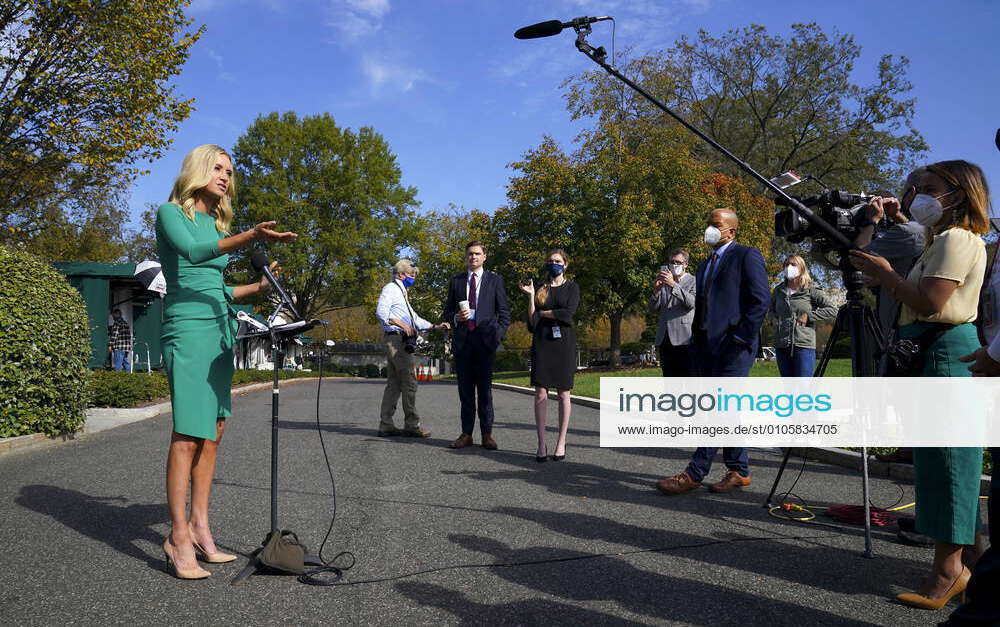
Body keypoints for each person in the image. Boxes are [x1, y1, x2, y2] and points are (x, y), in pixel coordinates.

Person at [850, 160, 989, 610]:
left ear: (958, 192)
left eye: (927, 187)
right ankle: (972, 565)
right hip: (932, 351)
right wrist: (888, 276)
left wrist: (888, 275)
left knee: (949, 462)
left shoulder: (957, 238)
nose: (917, 195)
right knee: (937, 460)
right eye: (914, 188)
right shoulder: (939, 240)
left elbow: (930, 303)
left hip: (946, 350)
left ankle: (948, 573)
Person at [156, 144, 297, 579]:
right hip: (187, 330)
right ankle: (177, 536)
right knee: (187, 434)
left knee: (213, 433)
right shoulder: (171, 214)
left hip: (219, 330)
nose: (225, 176)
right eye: (217, 168)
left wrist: (256, 288)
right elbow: (194, 256)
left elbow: (216, 288)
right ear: (199, 170)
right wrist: (251, 236)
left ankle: (200, 525)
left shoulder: (216, 223)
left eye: (229, 171)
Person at [655, 208, 769, 495]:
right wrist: (697, 342)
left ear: (731, 230)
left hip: (735, 348)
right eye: (708, 224)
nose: (710, 229)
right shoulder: (706, 264)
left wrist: (741, 338)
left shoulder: (746, 255)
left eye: (716, 225)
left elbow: (760, 301)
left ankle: (694, 473)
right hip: (707, 348)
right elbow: (702, 307)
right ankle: (739, 470)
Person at [443, 241, 511, 450]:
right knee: (465, 392)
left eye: (477, 254)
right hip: (464, 343)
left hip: (485, 343)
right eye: (470, 254)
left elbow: (504, 313)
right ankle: (466, 434)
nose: (473, 257)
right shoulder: (457, 281)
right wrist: (455, 317)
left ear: (484, 257)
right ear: (466, 257)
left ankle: (487, 434)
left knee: (484, 392)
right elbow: (446, 311)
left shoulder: (494, 280)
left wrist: (497, 336)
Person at [374, 259, 449, 438]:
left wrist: (435, 326)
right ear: (401, 274)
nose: (414, 278)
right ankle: (412, 425)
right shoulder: (391, 289)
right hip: (397, 341)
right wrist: (401, 324)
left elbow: (414, 319)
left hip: (397, 340)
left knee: (394, 384)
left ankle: (386, 424)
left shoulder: (402, 293)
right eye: (412, 275)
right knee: (409, 382)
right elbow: (381, 312)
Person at [518, 248, 580, 462]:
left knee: (564, 394)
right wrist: (530, 298)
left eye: (558, 261)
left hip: (564, 345)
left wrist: (543, 313)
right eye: (551, 261)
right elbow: (532, 322)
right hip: (542, 343)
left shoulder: (572, 288)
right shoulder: (540, 290)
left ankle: (561, 442)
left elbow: (568, 314)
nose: (554, 264)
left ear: (565, 264)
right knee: (541, 394)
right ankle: (541, 443)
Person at [768, 255, 838, 377]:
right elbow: (770, 310)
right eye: (786, 264)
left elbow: (832, 309)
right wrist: (773, 320)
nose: (788, 267)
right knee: (788, 388)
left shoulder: (811, 289)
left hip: (803, 345)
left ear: (802, 268)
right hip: (781, 344)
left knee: (804, 388)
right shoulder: (778, 290)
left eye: (793, 264)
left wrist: (809, 316)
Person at [649, 248, 696, 377]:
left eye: (677, 262)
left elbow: (691, 303)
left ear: (685, 264)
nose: (674, 265)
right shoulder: (664, 282)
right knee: (669, 379)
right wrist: (656, 291)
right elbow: (653, 309)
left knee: (688, 378)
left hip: (685, 338)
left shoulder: (694, 281)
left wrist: (674, 285)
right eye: (671, 262)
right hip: (665, 338)